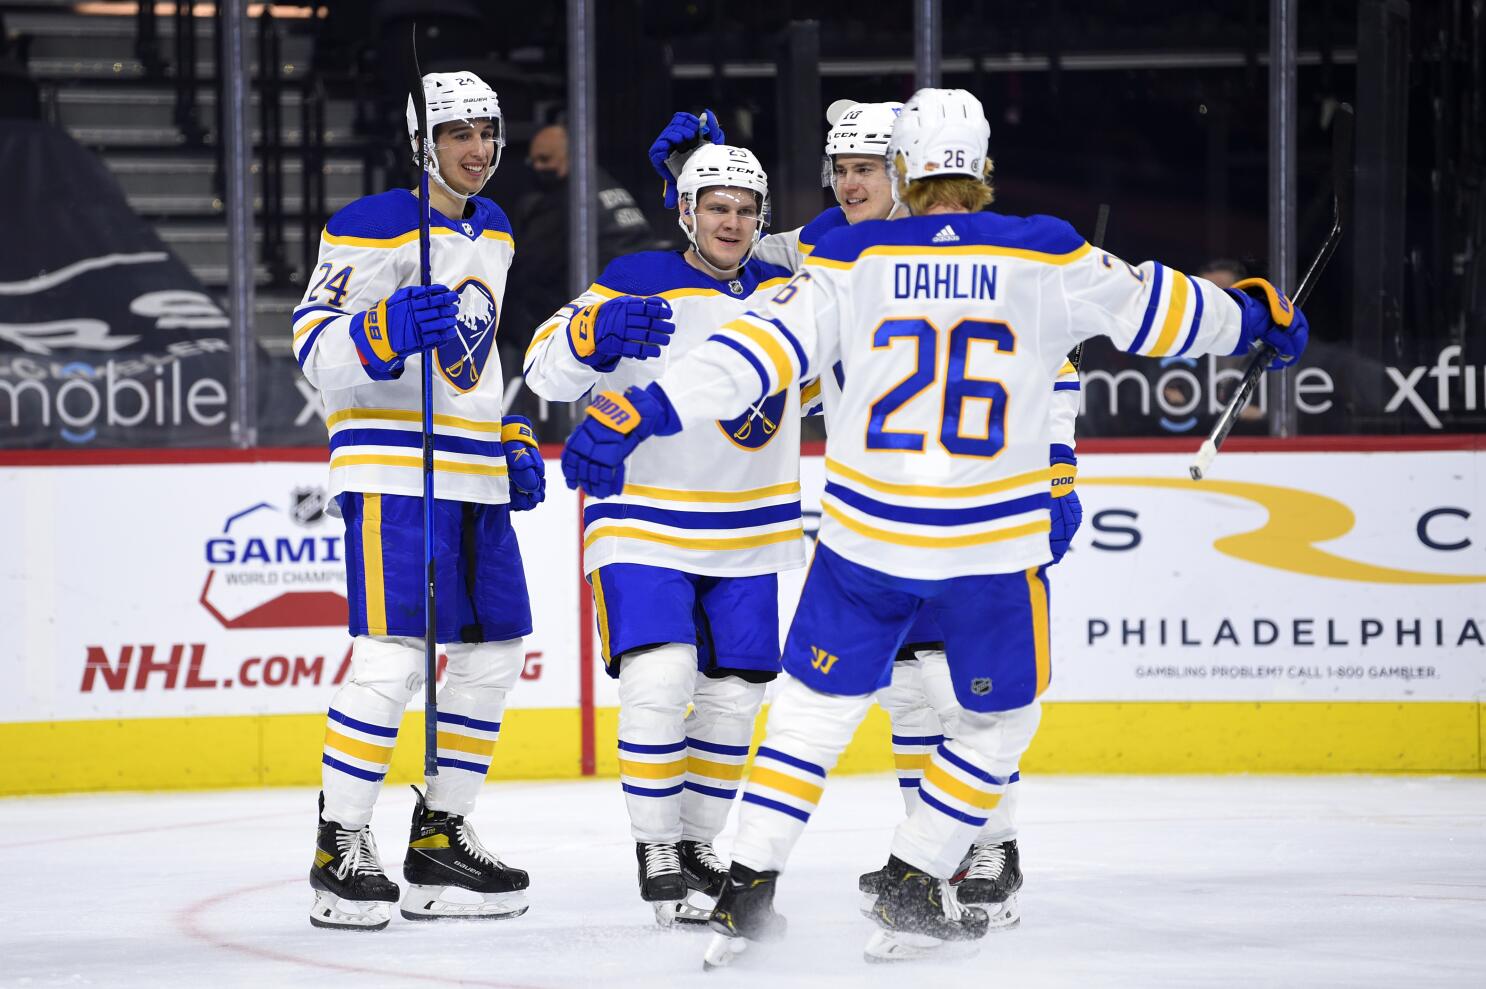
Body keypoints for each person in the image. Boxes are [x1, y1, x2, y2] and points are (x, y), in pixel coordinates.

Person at [560, 87, 1308, 964]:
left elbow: (749, 353)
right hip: (990, 543)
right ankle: (920, 872)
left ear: (904, 169)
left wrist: (642, 406)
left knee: (806, 718)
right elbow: (1165, 312)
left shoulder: (848, 256)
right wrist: (1257, 314)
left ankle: (745, 891)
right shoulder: (1046, 250)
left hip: (866, 536)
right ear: (984, 167)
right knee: (998, 722)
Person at [652, 101, 1084, 928]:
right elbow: (730, 253)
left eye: (868, 169)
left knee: (971, 695)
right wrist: (692, 178)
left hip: (972, 509)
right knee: (919, 697)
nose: (850, 183)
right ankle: (927, 861)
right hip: (883, 513)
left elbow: (1055, 364)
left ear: (906, 173)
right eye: (840, 169)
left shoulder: (988, 260)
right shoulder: (823, 249)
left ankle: (991, 844)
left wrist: (1058, 464)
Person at [291, 70, 545, 931]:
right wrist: (384, 330)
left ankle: (439, 837)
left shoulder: (498, 228)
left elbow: (481, 355)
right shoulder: (371, 224)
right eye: (456, 134)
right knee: (391, 657)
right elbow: (312, 343)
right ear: (420, 142)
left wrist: (506, 432)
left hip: (472, 473)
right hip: (393, 473)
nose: (475, 149)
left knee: (494, 653)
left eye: (485, 130)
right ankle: (340, 847)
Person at [523, 138, 800, 927]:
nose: (732, 221)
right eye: (717, 207)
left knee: (735, 699)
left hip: (749, 522)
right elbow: (545, 367)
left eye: (746, 210)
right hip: (642, 515)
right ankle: (657, 847)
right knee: (660, 677)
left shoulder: (786, 291)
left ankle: (698, 845)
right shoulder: (636, 277)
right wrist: (592, 337)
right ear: (686, 211)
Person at [502, 123, 655, 375]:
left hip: (601, 316)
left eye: (546, 159)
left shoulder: (571, 197)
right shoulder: (604, 181)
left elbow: (531, 266)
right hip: (636, 311)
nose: (538, 167)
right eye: (534, 161)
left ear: (570, 156)